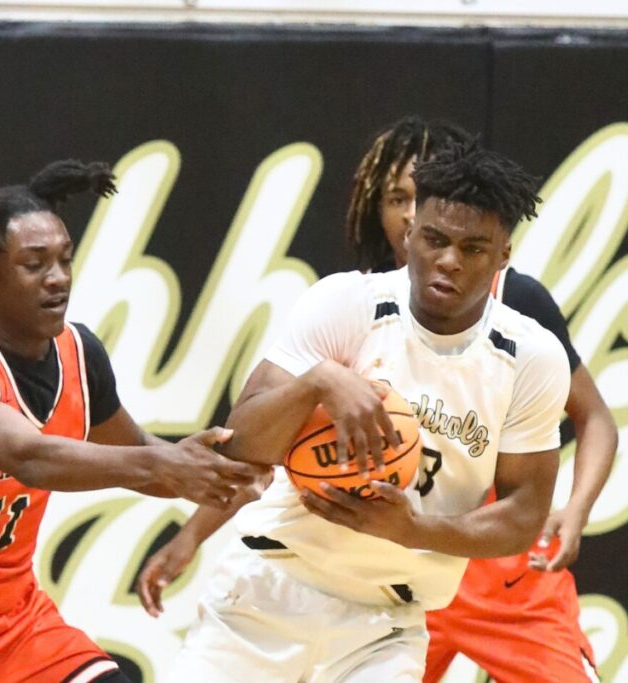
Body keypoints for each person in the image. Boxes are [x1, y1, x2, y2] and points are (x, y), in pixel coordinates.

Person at [138, 118, 615, 683]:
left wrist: (420, 528)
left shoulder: (528, 342)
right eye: (408, 208)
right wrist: (315, 384)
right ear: (409, 227)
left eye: (472, 246)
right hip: (278, 582)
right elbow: (242, 449)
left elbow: (538, 493)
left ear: (502, 253)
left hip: (423, 589)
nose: (449, 259)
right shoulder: (348, 303)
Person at [0, 160, 267, 682]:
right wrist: (164, 461)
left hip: (11, 626)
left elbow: (146, 458)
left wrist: (231, 469)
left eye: (64, 260)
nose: (57, 278)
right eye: (35, 264)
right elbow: (28, 456)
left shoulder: (80, 354)